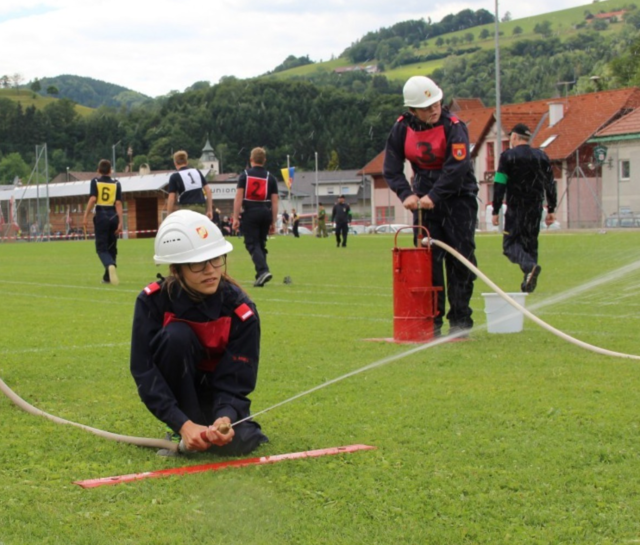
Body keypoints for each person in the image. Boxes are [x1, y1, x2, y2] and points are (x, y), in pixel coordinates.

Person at [130, 210, 269, 456]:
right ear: (176, 269)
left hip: (218, 396)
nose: (210, 270)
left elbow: (236, 379)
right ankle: (181, 427)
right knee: (176, 336)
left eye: (216, 259)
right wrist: (182, 423)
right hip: (180, 396)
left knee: (235, 443)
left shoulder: (241, 312)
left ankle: (209, 425)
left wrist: (223, 418)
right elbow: (144, 370)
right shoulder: (152, 302)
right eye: (197, 263)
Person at [383, 76, 479, 336]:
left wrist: (434, 196)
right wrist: (406, 194)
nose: (434, 109)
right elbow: (390, 168)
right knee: (427, 263)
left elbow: (457, 168)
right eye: (427, 107)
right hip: (424, 205)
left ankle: (460, 321)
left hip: (459, 199)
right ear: (412, 110)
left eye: (436, 102)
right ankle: (431, 321)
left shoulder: (455, 127)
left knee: (461, 260)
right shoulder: (402, 128)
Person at [492, 123, 558, 293]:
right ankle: (527, 281)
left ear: (514, 137)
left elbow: (499, 183)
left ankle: (529, 268)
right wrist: (551, 209)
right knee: (530, 244)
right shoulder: (541, 156)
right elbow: (550, 184)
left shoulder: (508, 157)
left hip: (516, 208)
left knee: (510, 245)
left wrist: (496, 209)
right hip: (535, 208)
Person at [233, 147, 279, 287]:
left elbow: (238, 198)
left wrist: (235, 217)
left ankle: (263, 270)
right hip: (265, 211)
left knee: (252, 243)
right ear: (264, 160)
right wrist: (273, 221)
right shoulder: (270, 177)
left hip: (251, 211)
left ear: (251, 159)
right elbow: (275, 201)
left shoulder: (245, 176)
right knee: (260, 243)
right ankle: (260, 276)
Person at [83, 159, 123, 285]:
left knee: (101, 248)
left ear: (98, 170)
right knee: (112, 247)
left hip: (101, 215)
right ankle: (107, 278)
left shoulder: (95, 181)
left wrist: (85, 216)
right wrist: (121, 222)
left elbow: (93, 199)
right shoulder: (116, 184)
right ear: (111, 171)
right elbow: (118, 203)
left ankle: (110, 264)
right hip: (113, 216)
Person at [166, 150, 214, 220]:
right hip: (201, 207)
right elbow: (208, 191)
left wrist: (168, 215)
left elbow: (171, 198)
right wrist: (209, 210)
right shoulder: (197, 171)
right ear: (187, 162)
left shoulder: (174, 176)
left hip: (186, 208)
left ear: (175, 163)